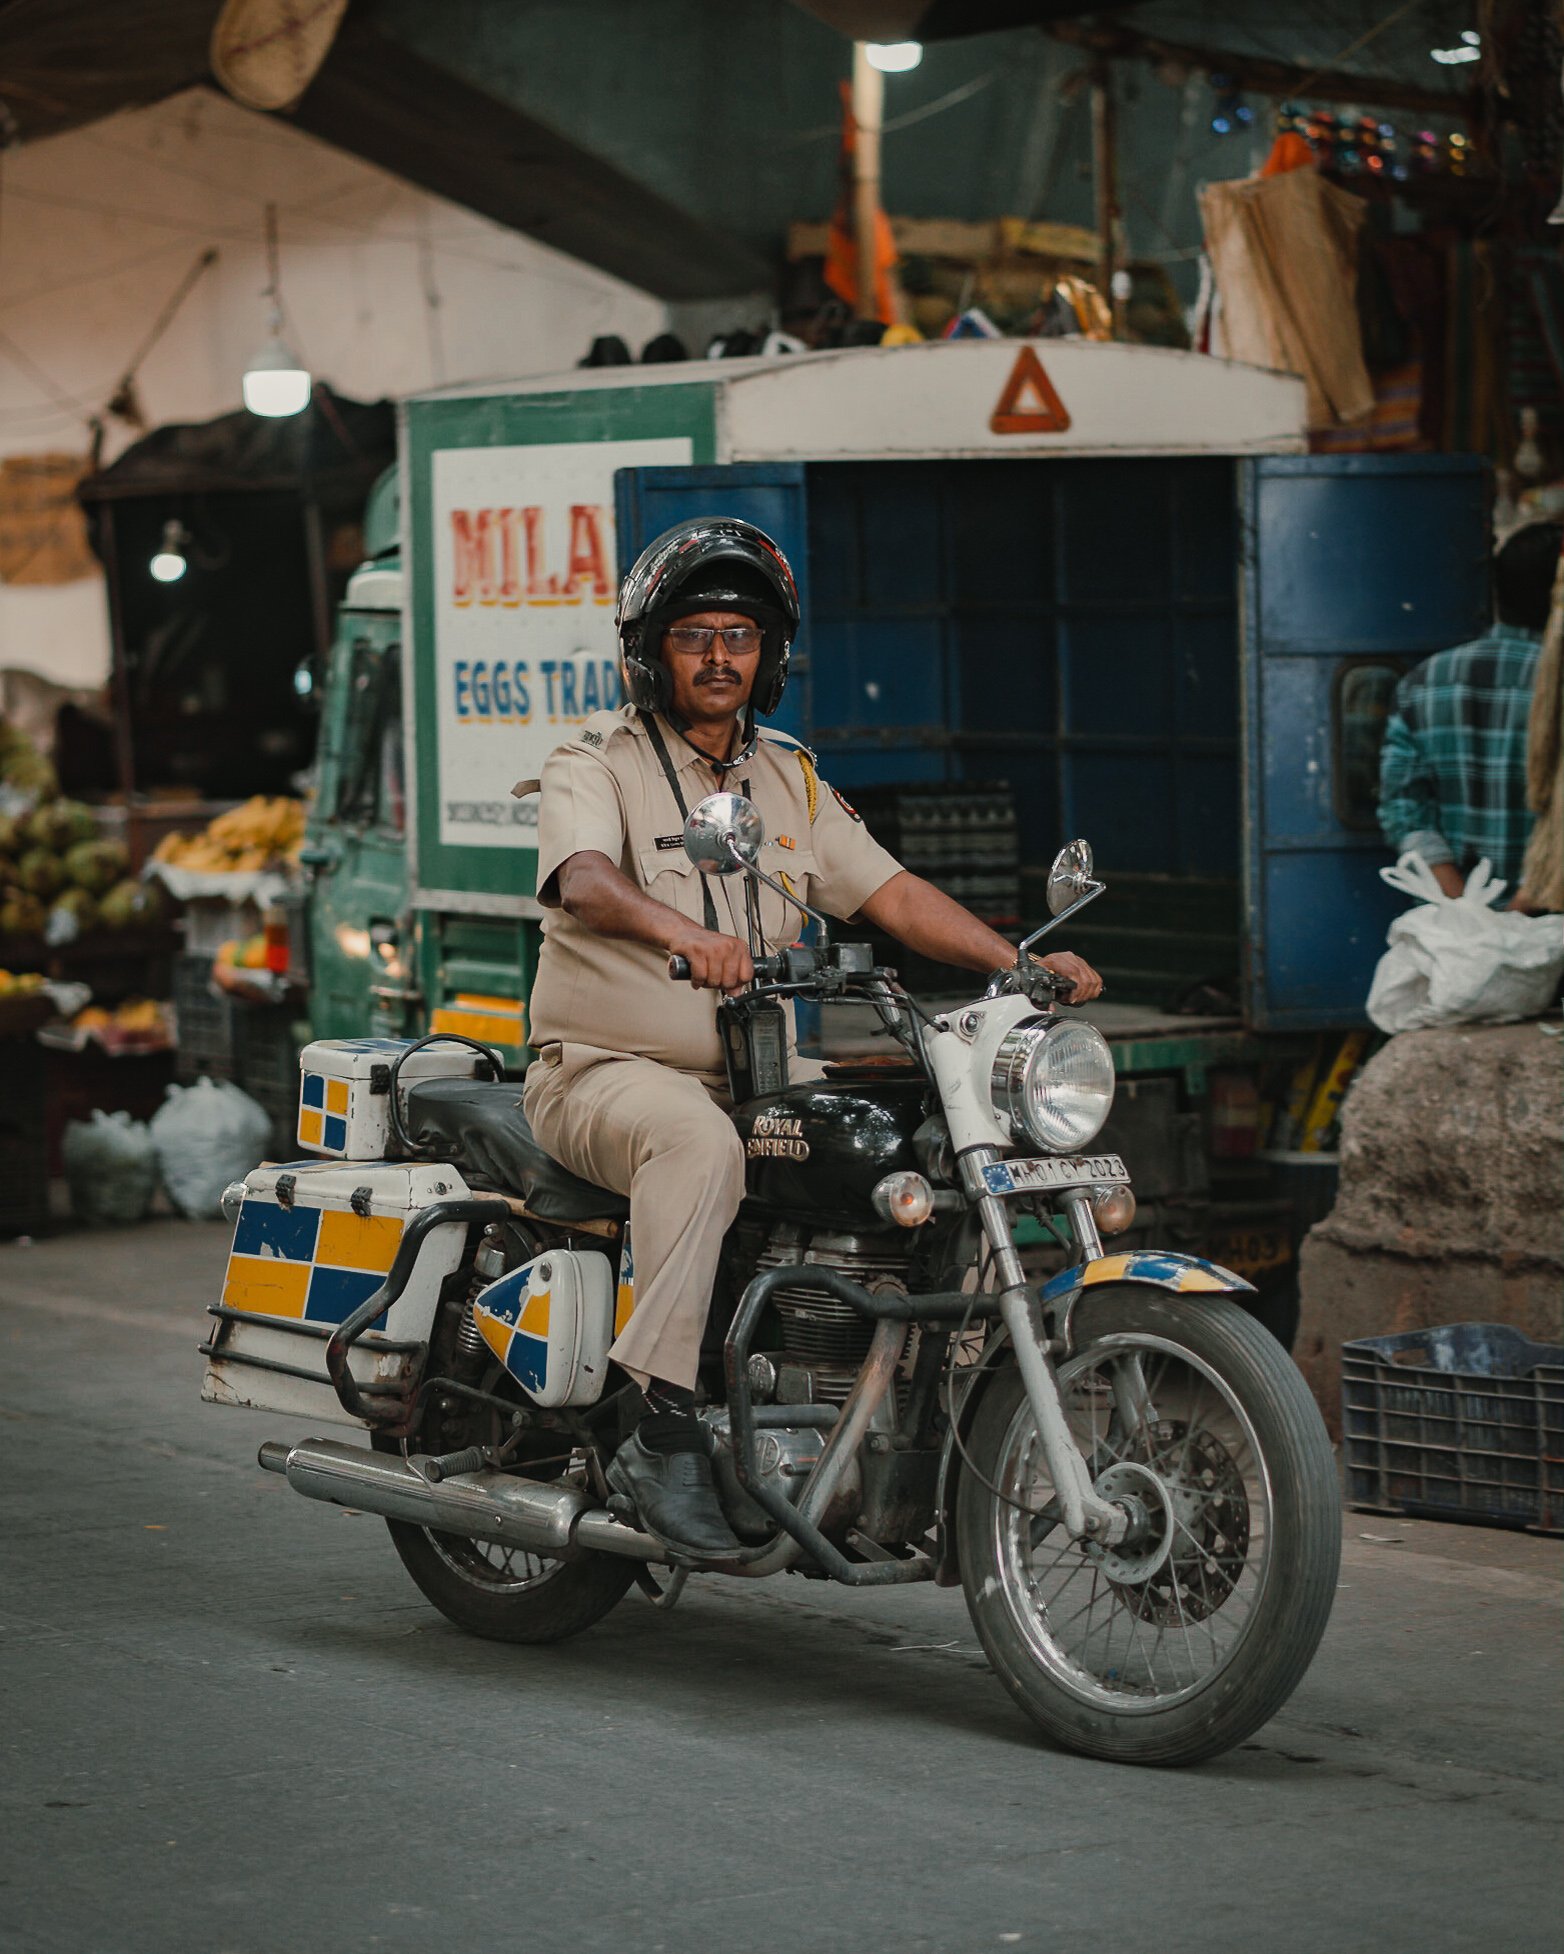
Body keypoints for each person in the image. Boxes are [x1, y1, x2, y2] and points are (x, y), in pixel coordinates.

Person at [522, 517, 1103, 1557]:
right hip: (608, 1073)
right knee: (698, 1145)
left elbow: (891, 891)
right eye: (695, 633)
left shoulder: (786, 780)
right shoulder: (595, 763)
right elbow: (585, 879)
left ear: (769, 654)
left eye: (739, 636)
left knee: (913, 1143)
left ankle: (902, 1410)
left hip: (763, 1072)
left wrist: (1011, 963)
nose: (717, 656)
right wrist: (685, 935)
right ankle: (657, 1424)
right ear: (653, 649)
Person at [1378, 519, 1562, 902]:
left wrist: (1465, 913)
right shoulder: (1553, 680)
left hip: (1459, 946)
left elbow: (1405, 811)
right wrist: (1518, 913)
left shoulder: (1423, 681)